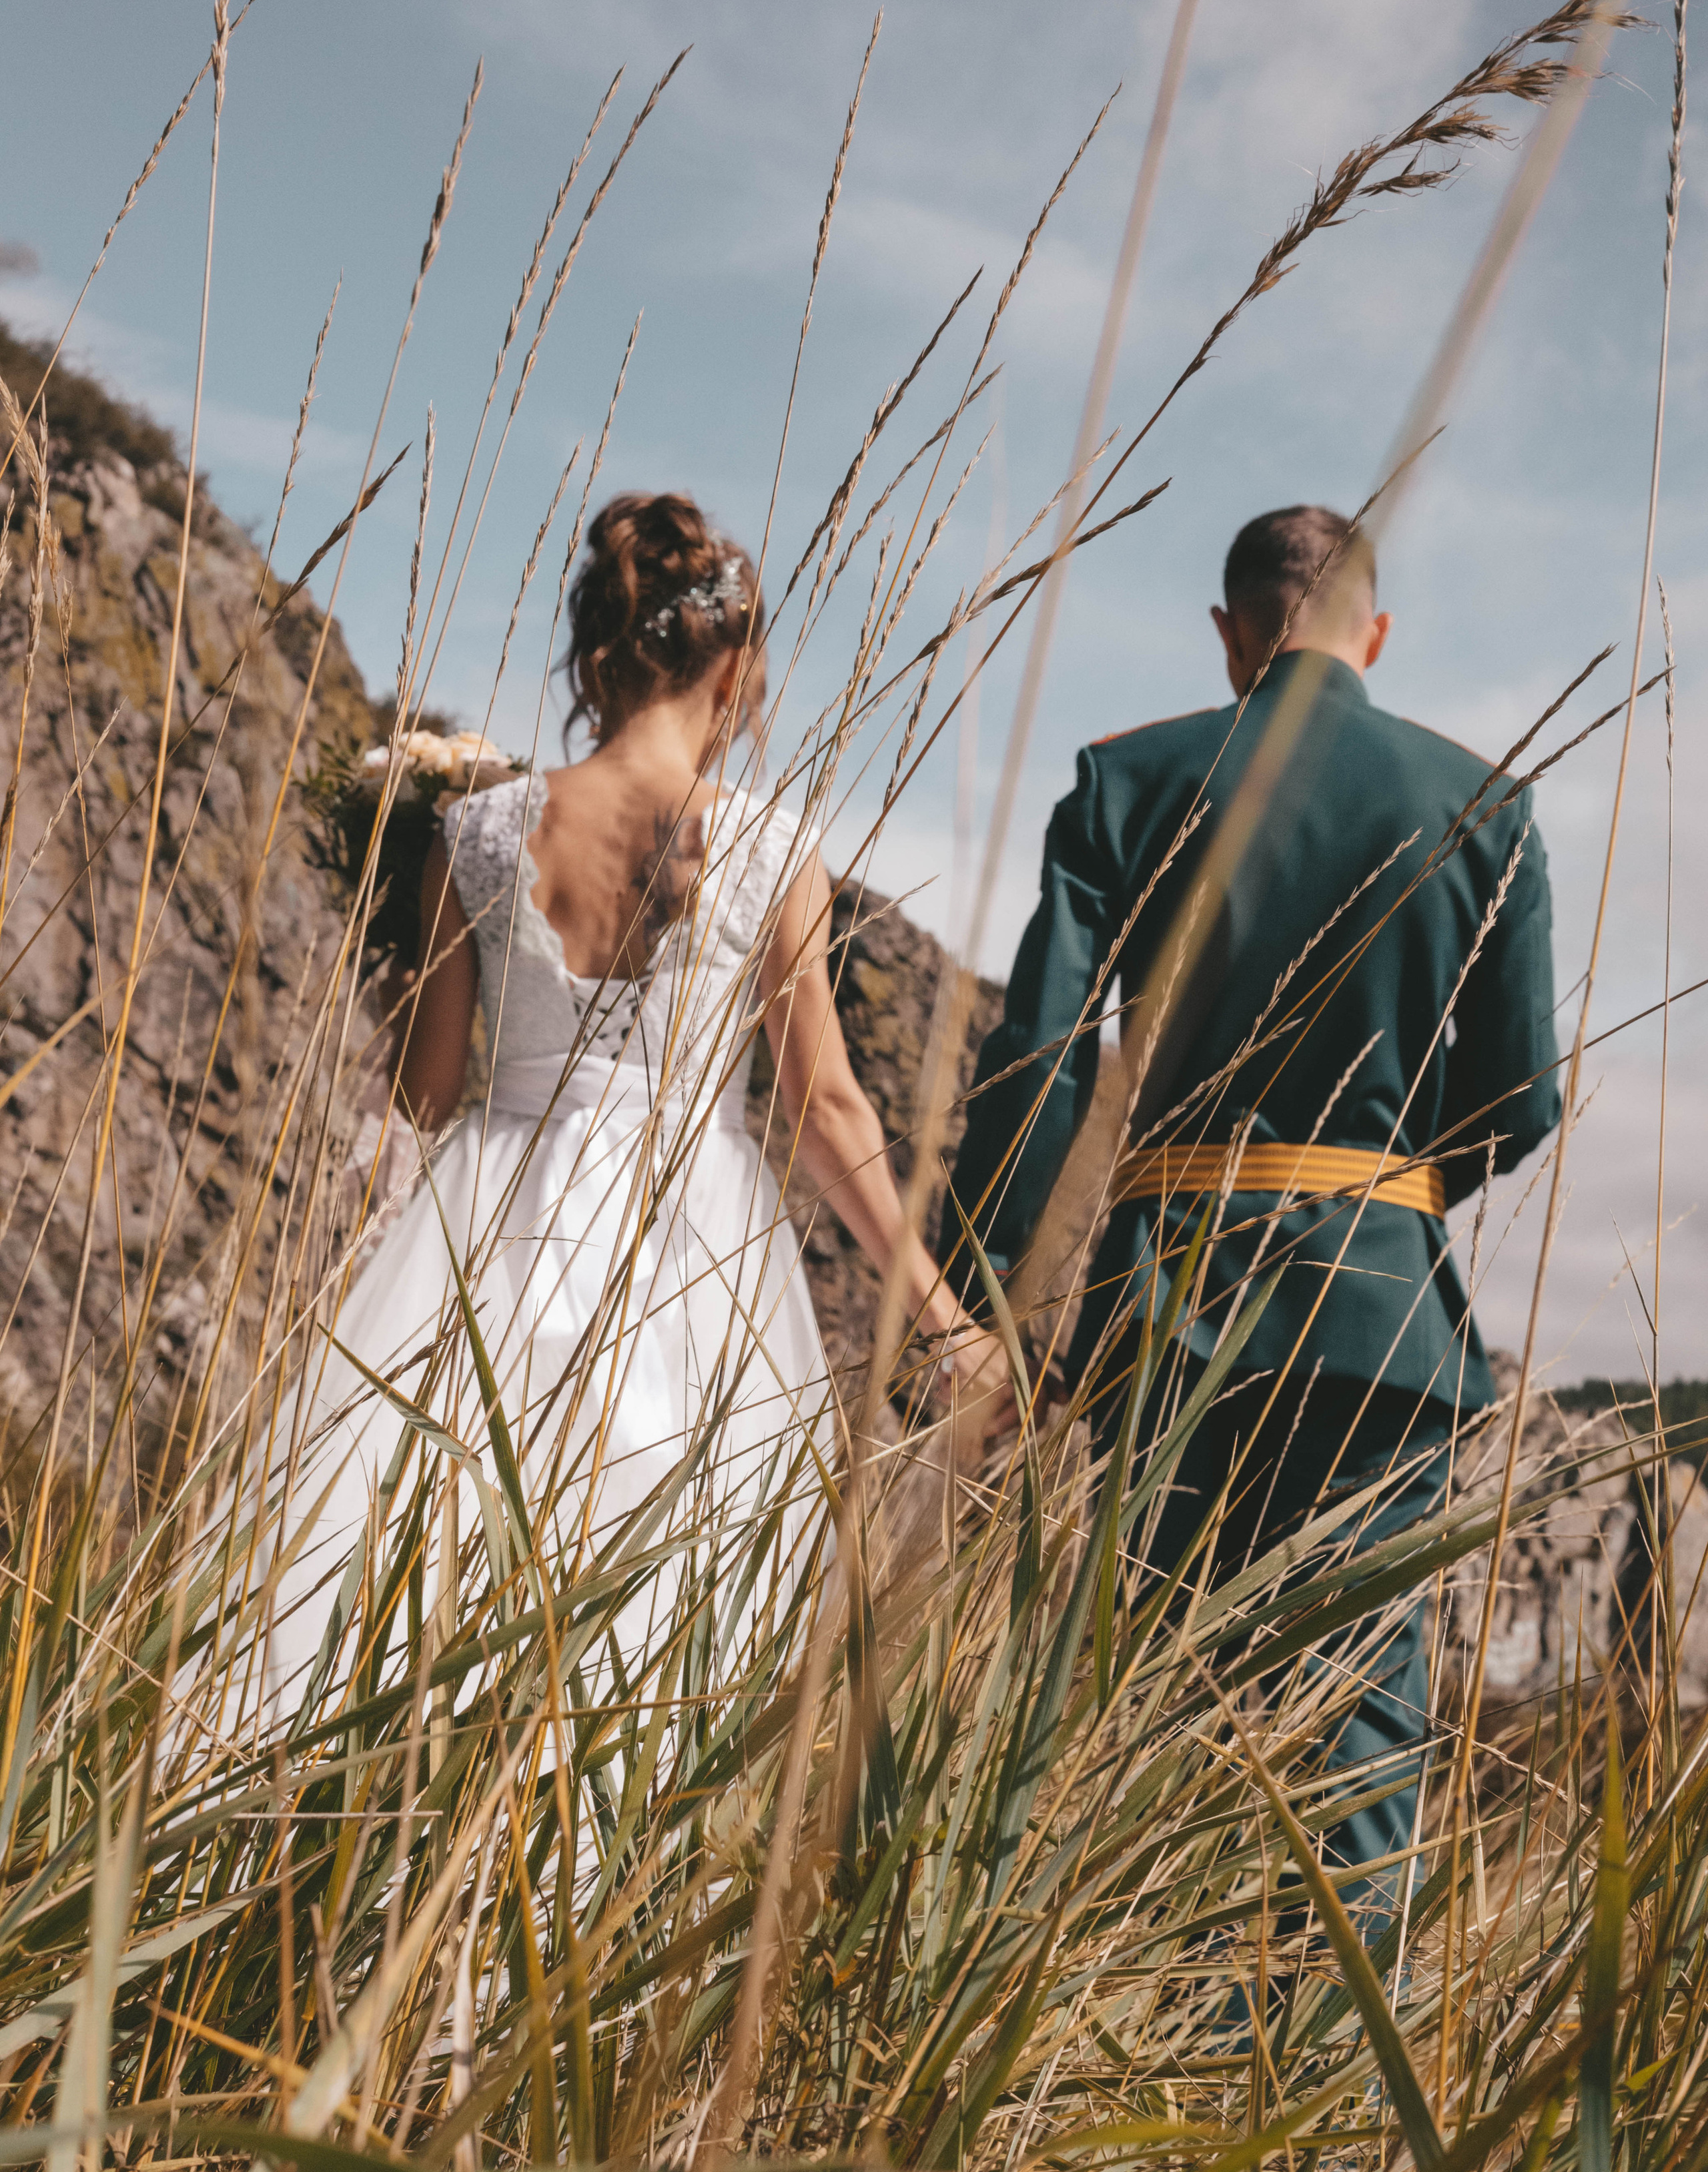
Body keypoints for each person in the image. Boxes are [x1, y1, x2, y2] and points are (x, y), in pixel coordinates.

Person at [263, 491, 1003, 1722]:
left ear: (596, 652)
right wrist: (943, 1318)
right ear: (739, 668)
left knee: (421, 1548)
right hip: (689, 1236)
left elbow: (429, 1090)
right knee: (662, 1589)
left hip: (491, 1214)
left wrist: (396, 940)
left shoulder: (478, 829)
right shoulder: (771, 845)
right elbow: (825, 1112)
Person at [941, 503, 1561, 1927]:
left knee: (1160, 1718)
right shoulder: (1484, 806)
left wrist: (992, 1296)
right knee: (1354, 1739)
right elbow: (1518, 1102)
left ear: (1229, 635)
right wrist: (1382, 1205)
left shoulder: (1125, 781)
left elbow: (1034, 1059)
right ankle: (1335, 2138)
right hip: (1382, 1326)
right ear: (1373, 633)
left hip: (1169, 1309)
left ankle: (1147, 2087)